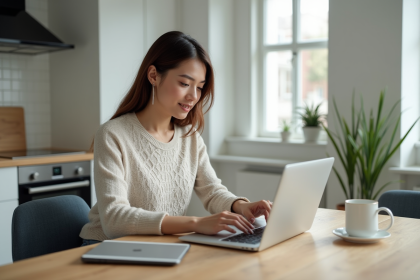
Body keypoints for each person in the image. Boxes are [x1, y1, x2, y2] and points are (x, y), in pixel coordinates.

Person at [80, 31, 272, 247]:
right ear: (153, 75)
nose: (194, 96)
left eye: (199, 87)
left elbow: (212, 191)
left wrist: (240, 206)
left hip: (158, 246)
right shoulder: (113, 134)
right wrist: (196, 223)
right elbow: (114, 220)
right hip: (105, 246)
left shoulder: (190, 137)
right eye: (184, 83)